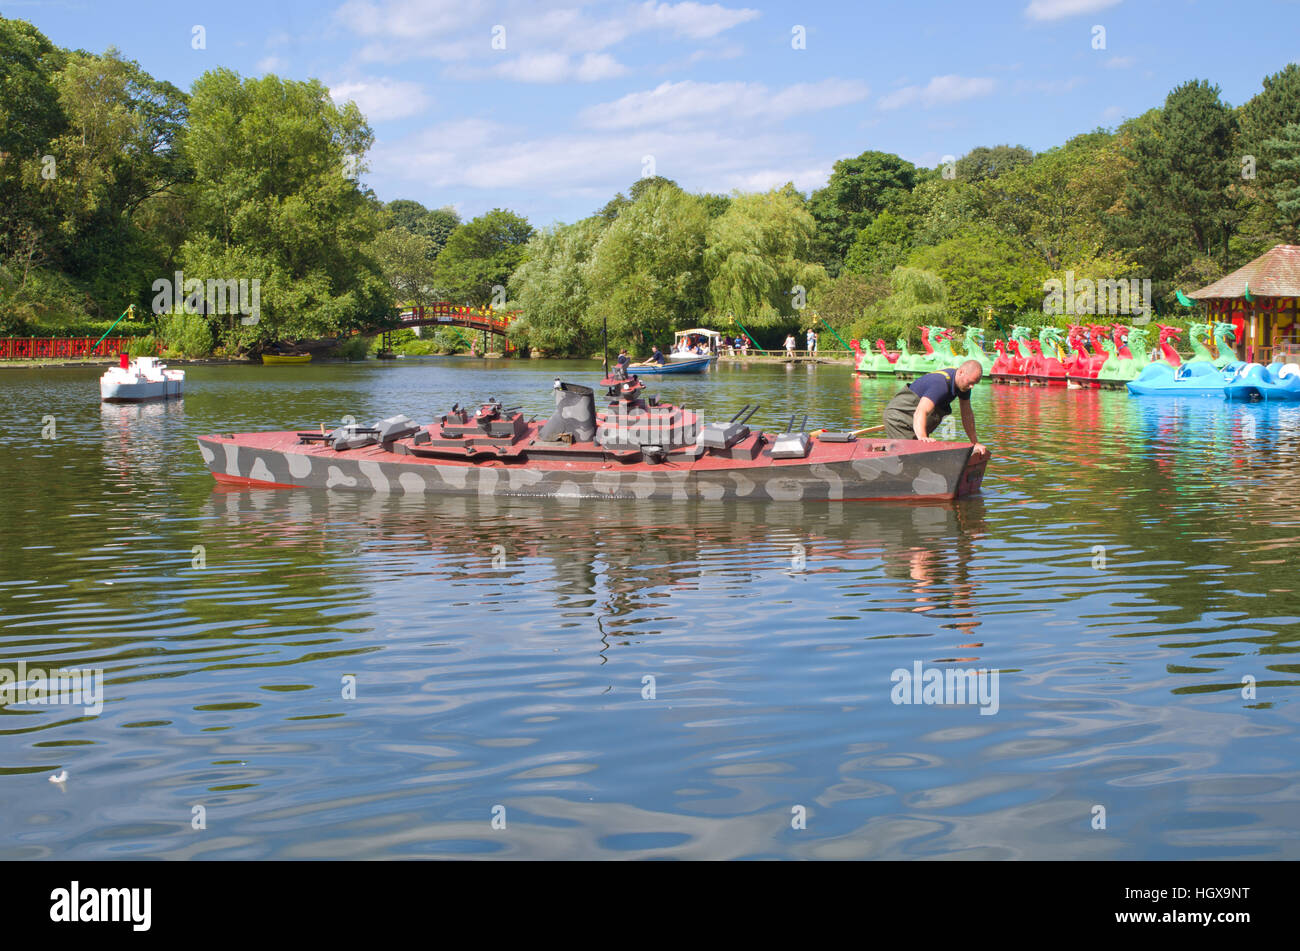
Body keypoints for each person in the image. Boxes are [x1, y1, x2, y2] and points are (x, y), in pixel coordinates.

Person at [882, 359, 988, 459]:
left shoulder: (964, 386)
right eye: (970, 382)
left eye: (974, 384)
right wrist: (923, 439)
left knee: (922, 457)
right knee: (910, 458)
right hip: (899, 419)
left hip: (917, 423)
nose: (972, 387)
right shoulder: (940, 384)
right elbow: (921, 411)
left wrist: (975, 443)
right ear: (960, 372)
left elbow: (967, 415)